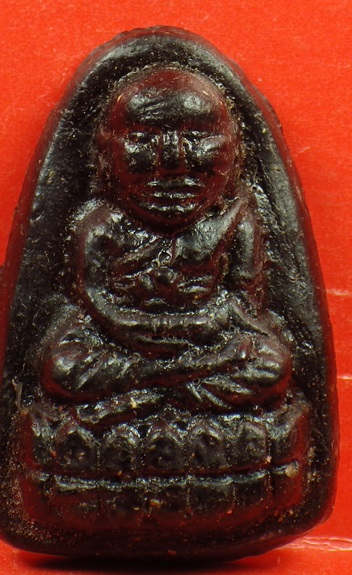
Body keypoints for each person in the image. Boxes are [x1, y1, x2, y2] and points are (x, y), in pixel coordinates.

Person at [40, 68, 292, 417]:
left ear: (235, 150)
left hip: (205, 335)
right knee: (62, 367)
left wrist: (203, 326)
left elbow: (244, 304)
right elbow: (94, 300)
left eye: (197, 137)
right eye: (143, 139)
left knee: (271, 366)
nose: (172, 160)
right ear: (105, 154)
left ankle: (144, 395)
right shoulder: (100, 225)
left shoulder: (237, 220)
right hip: (124, 337)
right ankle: (172, 384)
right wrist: (135, 329)